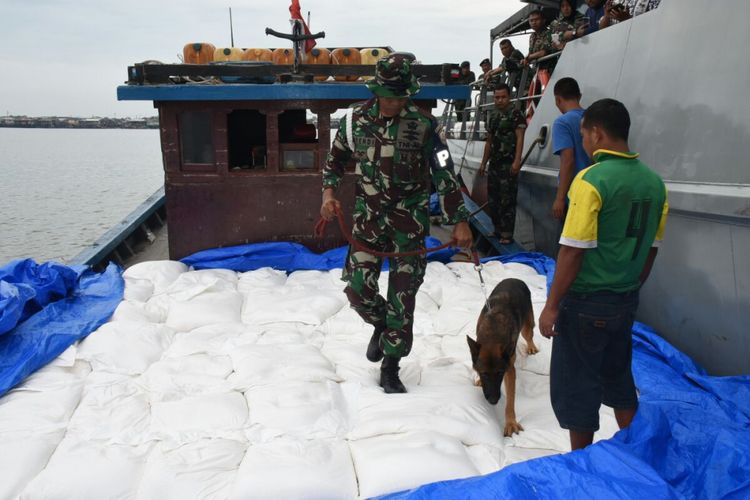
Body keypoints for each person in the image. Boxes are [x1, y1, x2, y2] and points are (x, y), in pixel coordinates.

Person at [321, 53, 473, 394]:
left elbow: (444, 174)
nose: (392, 102)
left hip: (410, 226)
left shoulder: (426, 127)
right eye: (387, 95)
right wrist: (328, 194)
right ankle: (381, 324)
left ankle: (391, 367)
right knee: (357, 289)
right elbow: (334, 163)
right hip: (368, 223)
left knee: (403, 297)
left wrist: (459, 222)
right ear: (376, 91)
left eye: (399, 96)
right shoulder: (352, 122)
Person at [538, 98, 669, 451]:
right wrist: (627, 287)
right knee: (619, 379)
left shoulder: (591, 180)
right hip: (625, 300)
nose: (582, 143)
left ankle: (584, 464)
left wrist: (552, 305)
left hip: (585, 305)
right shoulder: (655, 184)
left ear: (596, 133)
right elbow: (651, 250)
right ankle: (635, 450)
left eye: (583, 136)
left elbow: (572, 250)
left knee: (578, 390)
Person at [478, 84, 527, 244]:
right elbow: (489, 141)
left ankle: (506, 234)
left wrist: (517, 161)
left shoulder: (516, 114)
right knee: (493, 198)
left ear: (509, 97)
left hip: (508, 164)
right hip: (495, 164)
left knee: (507, 199)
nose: (500, 100)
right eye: (497, 97)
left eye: (503, 97)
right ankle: (497, 229)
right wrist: (483, 163)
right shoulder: (492, 116)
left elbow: (520, 137)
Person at [551, 77, 590, 220]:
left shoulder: (562, 122)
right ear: (579, 96)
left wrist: (560, 199)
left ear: (558, 100)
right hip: (594, 192)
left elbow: (568, 161)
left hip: (574, 194)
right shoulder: (593, 117)